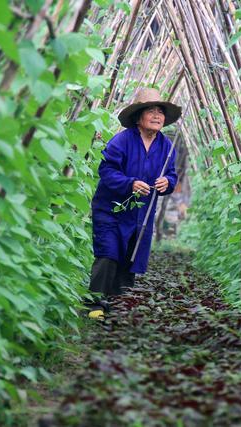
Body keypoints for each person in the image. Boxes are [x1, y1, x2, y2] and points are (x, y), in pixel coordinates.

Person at [86, 87, 181, 318]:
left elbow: (171, 175)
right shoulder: (122, 141)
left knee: (130, 254)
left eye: (160, 112)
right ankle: (96, 304)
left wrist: (165, 183)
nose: (157, 116)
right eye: (151, 111)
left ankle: (118, 302)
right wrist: (130, 184)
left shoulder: (166, 146)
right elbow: (106, 170)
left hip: (141, 213)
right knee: (109, 252)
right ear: (139, 117)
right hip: (111, 208)